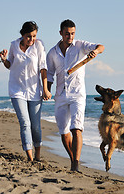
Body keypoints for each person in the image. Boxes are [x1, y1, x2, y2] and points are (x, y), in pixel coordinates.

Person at [47, 19, 104, 172]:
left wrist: (96, 51)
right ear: (60, 33)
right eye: (67, 34)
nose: (70, 37)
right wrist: (47, 89)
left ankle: (75, 165)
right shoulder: (53, 52)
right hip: (60, 95)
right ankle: (73, 159)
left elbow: (101, 46)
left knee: (76, 128)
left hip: (78, 94)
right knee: (64, 132)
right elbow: (50, 74)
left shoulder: (80, 45)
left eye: (72, 34)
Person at [0, 21, 52, 162]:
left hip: (34, 91)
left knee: (35, 126)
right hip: (17, 90)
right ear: (22, 35)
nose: (32, 39)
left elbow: (43, 68)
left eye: (34, 36)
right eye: (29, 36)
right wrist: (4, 59)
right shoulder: (14, 45)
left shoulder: (39, 46)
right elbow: (9, 65)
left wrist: (45, 89)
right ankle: (29, 157)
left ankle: (38, 154)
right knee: (25, 123)